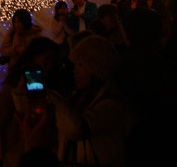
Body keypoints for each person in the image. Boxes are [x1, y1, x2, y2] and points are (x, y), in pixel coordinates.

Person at [0, 37, 61, 167]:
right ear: (33, 58)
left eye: (52, 62)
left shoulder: (52, 94)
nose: (49, 67)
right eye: (46, 61)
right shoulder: (11, 94)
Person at [50, 35, 127, 167]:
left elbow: (78, 129)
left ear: (96, 68)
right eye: (75, 64)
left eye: (81, 64)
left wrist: (49, 95)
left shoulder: (112, 103)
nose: (75, 70)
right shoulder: (78, 98)